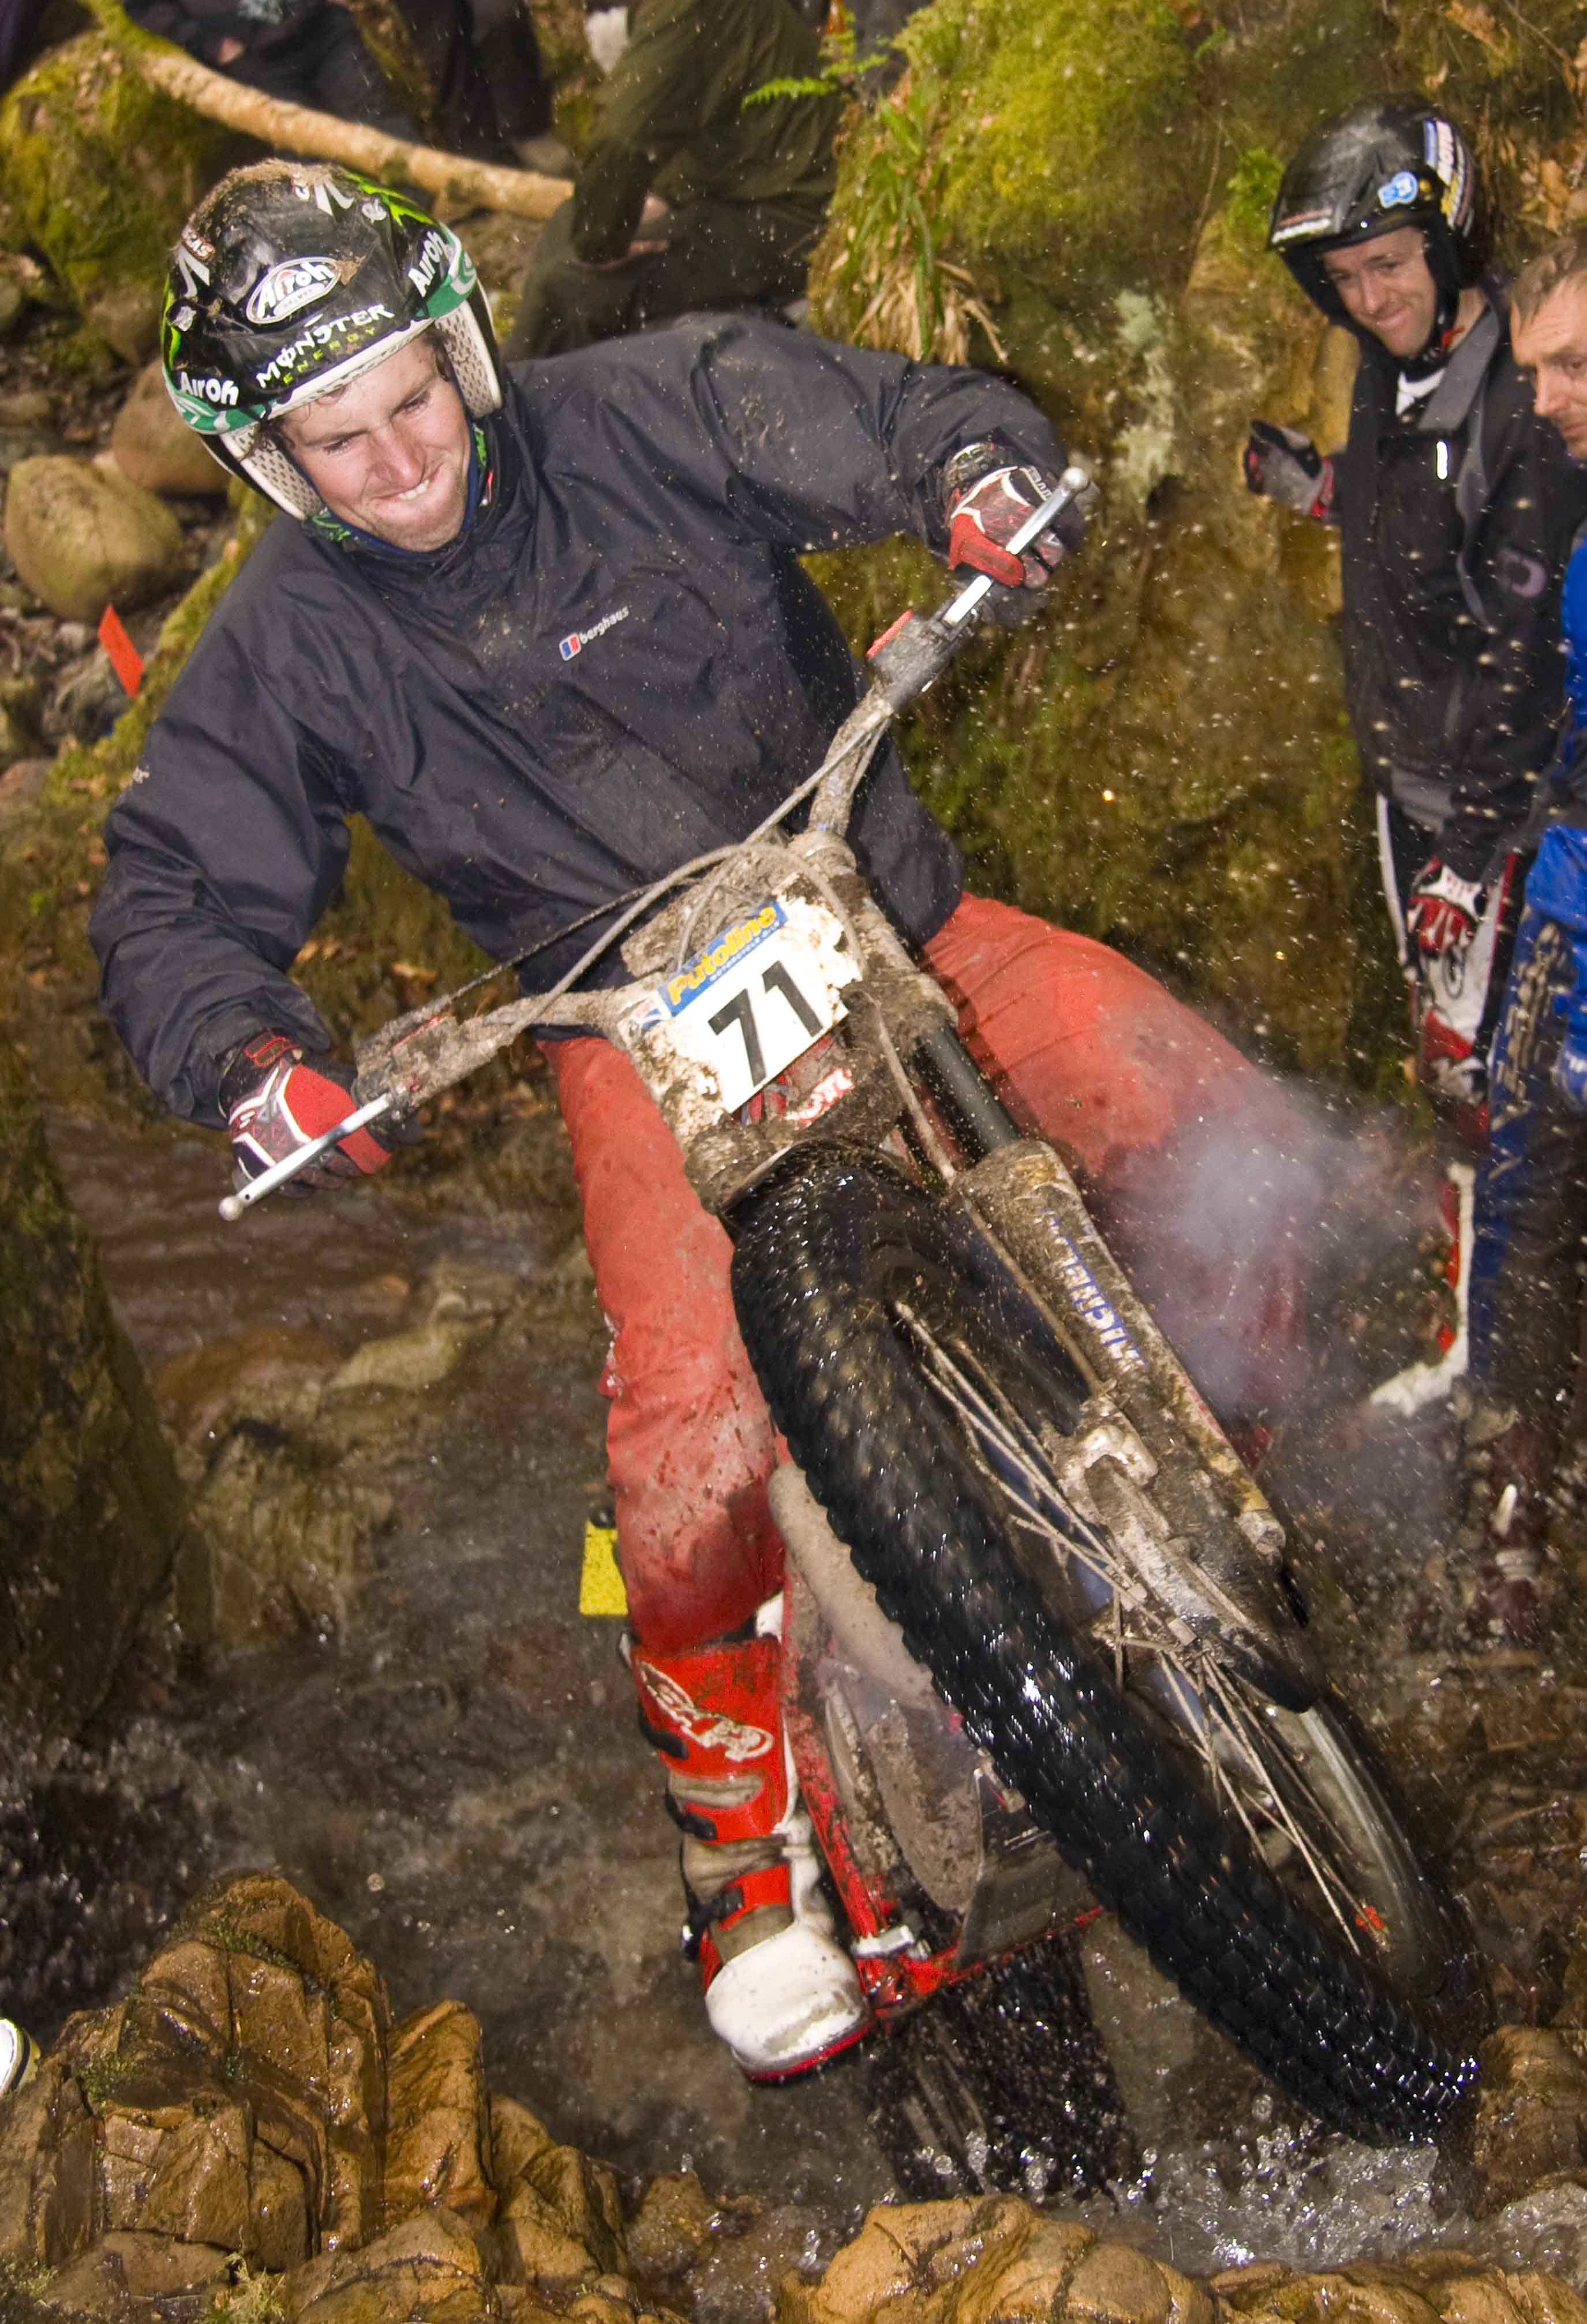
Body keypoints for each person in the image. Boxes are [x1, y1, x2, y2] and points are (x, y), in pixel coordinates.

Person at [94, 160, 1319, 2081]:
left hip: (881, 901)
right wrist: (251, 1060)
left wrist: (978, 478)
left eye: (413, 396)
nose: (401, 459)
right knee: (685, 1437)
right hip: (626, 1023)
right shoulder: (289, 639)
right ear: (269, 459)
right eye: (339, 438)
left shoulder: (648, 402)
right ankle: (740, 1855)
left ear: (457, 351)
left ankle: (1199, 1486)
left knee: (1219, 1130)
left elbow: (894, 415)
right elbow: (171, 887)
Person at [1244, 100, 1587, 1395]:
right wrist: (1322, 489)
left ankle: (1495, 1362)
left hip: (1497, 806)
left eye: (1389, 264)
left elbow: (1528, 654)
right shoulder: (1390, 370)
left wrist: (1472, 853)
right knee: (1449, 1061)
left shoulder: (1527, 395)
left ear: (1444, 243)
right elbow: (1425, 530)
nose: (1369, 296)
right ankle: (1472, 1318)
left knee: (1493, 1078)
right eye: (1343, 278)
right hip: (1417, 781)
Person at [1448, 229, 1587, 1644]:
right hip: (1564, 918)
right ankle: (1511, 1542)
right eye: (1538, 370)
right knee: (1523, 1223)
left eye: (1574, 366)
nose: (1546, 401)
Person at [505, 0, 839, 359]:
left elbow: (622, 139)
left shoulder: (687, 9)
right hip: (749, 187)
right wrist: (661, 195)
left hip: (794, 221)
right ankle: (541, 368)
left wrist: (603, 245)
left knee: (568, 291)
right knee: (567, 223)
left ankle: (513, 390)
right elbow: (688, 111)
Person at [123, 0, 420, 143]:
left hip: (322, 25)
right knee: (306, 154)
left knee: (378, 119)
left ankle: (426, 224)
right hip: (256, 59)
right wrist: (210, 44)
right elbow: (142, 6)